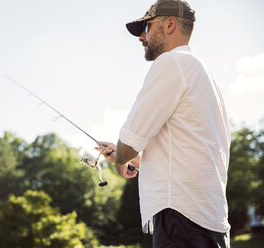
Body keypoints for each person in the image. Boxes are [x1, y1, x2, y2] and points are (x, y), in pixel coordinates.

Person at [96, 0, 231, 247]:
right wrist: (131, 160)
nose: (141, 37)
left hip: (181, 221)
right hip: (210, 222)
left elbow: (129, 142)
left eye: (146, 27)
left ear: (169, 25)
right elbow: (185, 152)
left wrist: (120, 159)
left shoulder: (172, 63)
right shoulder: (203, 74)